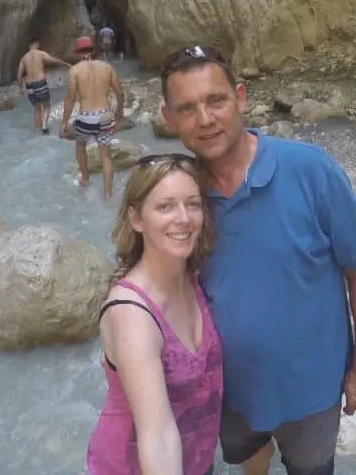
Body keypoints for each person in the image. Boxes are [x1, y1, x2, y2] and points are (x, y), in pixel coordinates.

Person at [159, 45, 356, 475]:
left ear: (240, 98)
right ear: (169, 119)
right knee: (247, 457)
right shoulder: (180, 199)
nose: (205, 119)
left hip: (312, 393)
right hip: (228, 392)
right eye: (187, 109)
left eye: (216, 101)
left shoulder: (308, 170)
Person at [84, 154, 223, 475]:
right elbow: (157, 435)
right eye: (165, 207)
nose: (184, 218)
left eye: (193, 204)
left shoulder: (192, 275)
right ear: (136, 219)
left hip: (197, 461)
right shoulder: (132, 315)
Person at [60, 35, 125, 198]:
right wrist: (120, 112)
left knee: (80, 144)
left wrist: (64, 123)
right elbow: (119, 91)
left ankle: (86, 179)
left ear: (78, 52)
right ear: (93, 50)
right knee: (106, 158)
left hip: (86, 118)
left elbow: (70, 99)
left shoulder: (75, 70)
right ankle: (108, 194)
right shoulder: (107, 67)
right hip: (105, 116)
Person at [16, 37, 71, 134]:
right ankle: (44, 127)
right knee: (46, 107)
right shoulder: (40, 53)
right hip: (40, 83)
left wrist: (21, 88)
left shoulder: (24, 58)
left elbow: (19, 74)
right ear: (36, 44)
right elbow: (54, 61)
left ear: (29, 45)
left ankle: (38, 130)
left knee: (37, 109)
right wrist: (66, 64)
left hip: (29, 86)